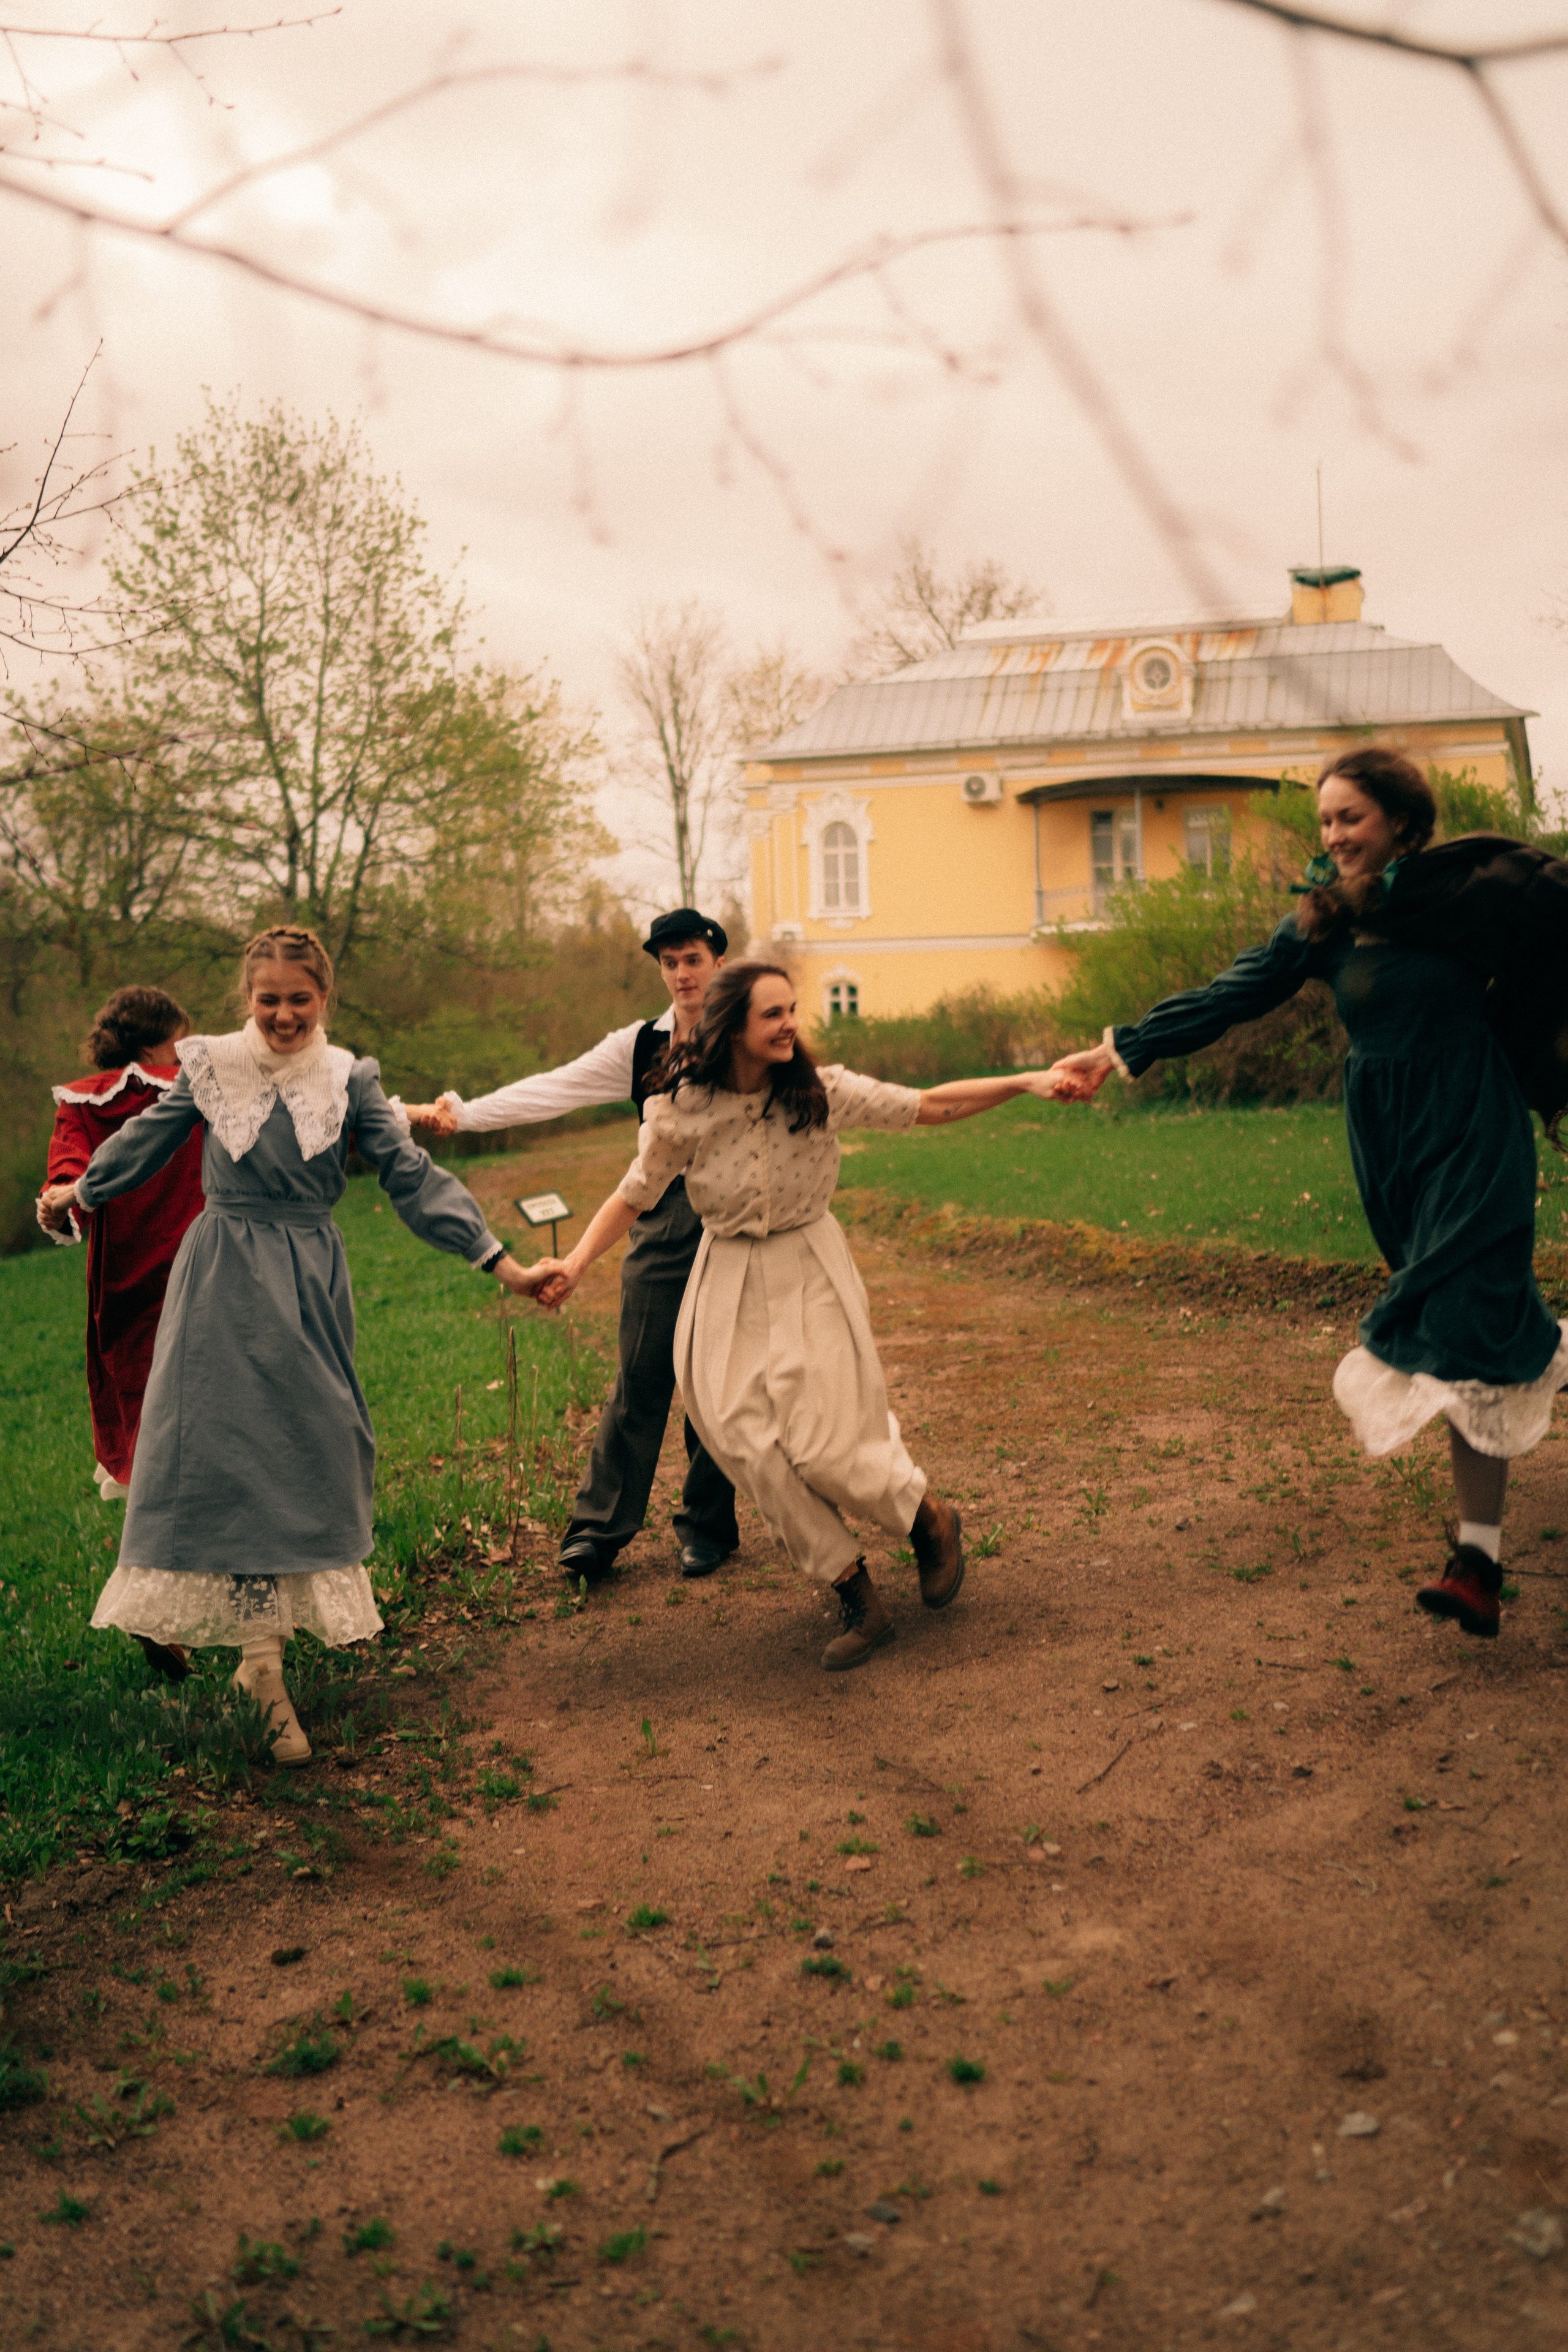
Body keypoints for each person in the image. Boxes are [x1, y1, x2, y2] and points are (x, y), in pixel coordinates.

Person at [1052, 747, 1568, 1641]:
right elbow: (1234, 992)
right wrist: (1123, 1047)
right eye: (1325, 821)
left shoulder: (1469, 896)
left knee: (1454, 1327)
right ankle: (1531, 1394)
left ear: (1401, 821)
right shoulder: (1325, 923)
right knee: (1477, 1326)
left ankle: (1476, 1563)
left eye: (1350, 818)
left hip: (1474, 1124)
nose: (1333, 837)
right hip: (1390, 1142)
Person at [39, 923, 544, 1763]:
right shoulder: (206, 1066)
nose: (282, 1016)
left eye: (299, 1000)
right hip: (221, 1283)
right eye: (268, 1000)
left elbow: (413, 1179)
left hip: (309, 1284)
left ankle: (262, 1660)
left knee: (311, 1450)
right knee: (232, 1457)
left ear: (324, 1000)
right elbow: (140, 1146)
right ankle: (262, 1668)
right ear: (249, 999)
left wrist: (504, 1263)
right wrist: (76, 1195)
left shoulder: (349, 1078)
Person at [529, 960, 1081, 1670]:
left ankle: (927, 1519)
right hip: (725, 1274)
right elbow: (634, 1193)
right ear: (733, 1028)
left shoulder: (821, 1091)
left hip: (810, 1265)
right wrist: (573, 1264)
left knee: (823, 1443)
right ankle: (854, 1592)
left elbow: (928, 1105)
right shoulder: (680, 1109)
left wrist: (1027, 1081)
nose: (791, 1024)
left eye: (792, 1010)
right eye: (773, 1014)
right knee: (743, 1440)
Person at [403, 908, 739, 1583]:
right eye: (668, 962)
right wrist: (462, 1114)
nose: (681, 973)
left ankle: (707, 1526)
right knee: (641, 1372)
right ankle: (597, 1530)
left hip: (737, 1215)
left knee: (716, 1374)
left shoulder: (747, 1032)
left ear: (717, 961)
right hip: (660, 1212)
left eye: (692, 958)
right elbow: (552, 1089)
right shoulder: (639, 1046)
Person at [39, 987, 207, 1681]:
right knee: (211, 1439)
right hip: (205, 1269)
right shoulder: (196, 1085)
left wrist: (62, 1201)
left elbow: (65, 1188)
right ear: (158, 1043)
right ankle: (175, 1608)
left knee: (149, 1440)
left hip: (126, 1289)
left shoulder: (81, 1104)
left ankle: (163, 1608)